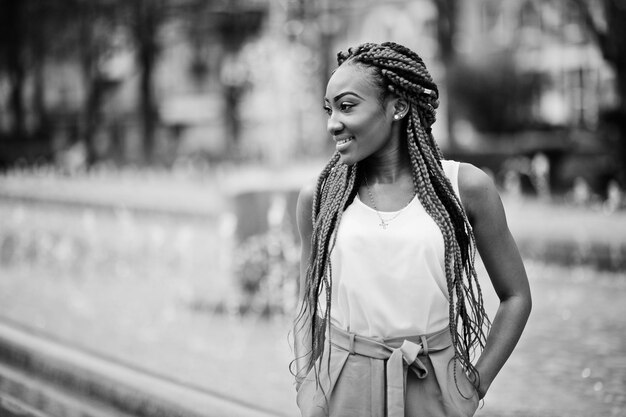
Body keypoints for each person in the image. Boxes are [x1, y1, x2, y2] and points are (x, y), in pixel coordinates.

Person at [292, 42, 531, 417]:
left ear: (398, 107)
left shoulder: (463, 187)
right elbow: (308, 300)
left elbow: (516, 296)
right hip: (341, 385)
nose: (333, 122)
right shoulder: (320, 196)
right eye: (330, 109)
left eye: (347, 105)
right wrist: (306, 384)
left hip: (432, 381)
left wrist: (472, 389)